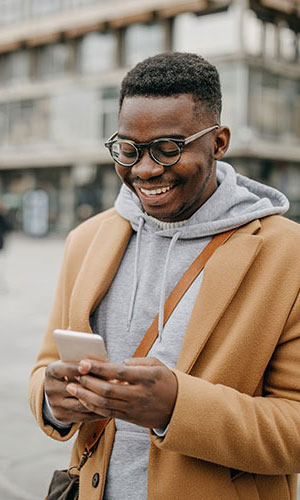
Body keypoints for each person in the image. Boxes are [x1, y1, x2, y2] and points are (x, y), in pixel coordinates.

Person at [29, 52, 300, 500]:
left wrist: (178, 407)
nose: (145, 170)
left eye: (168, 148)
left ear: (218, 142)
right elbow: (44, 368)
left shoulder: (286, 254)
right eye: (129, 150)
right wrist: (52, 401)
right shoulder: (87, 239)